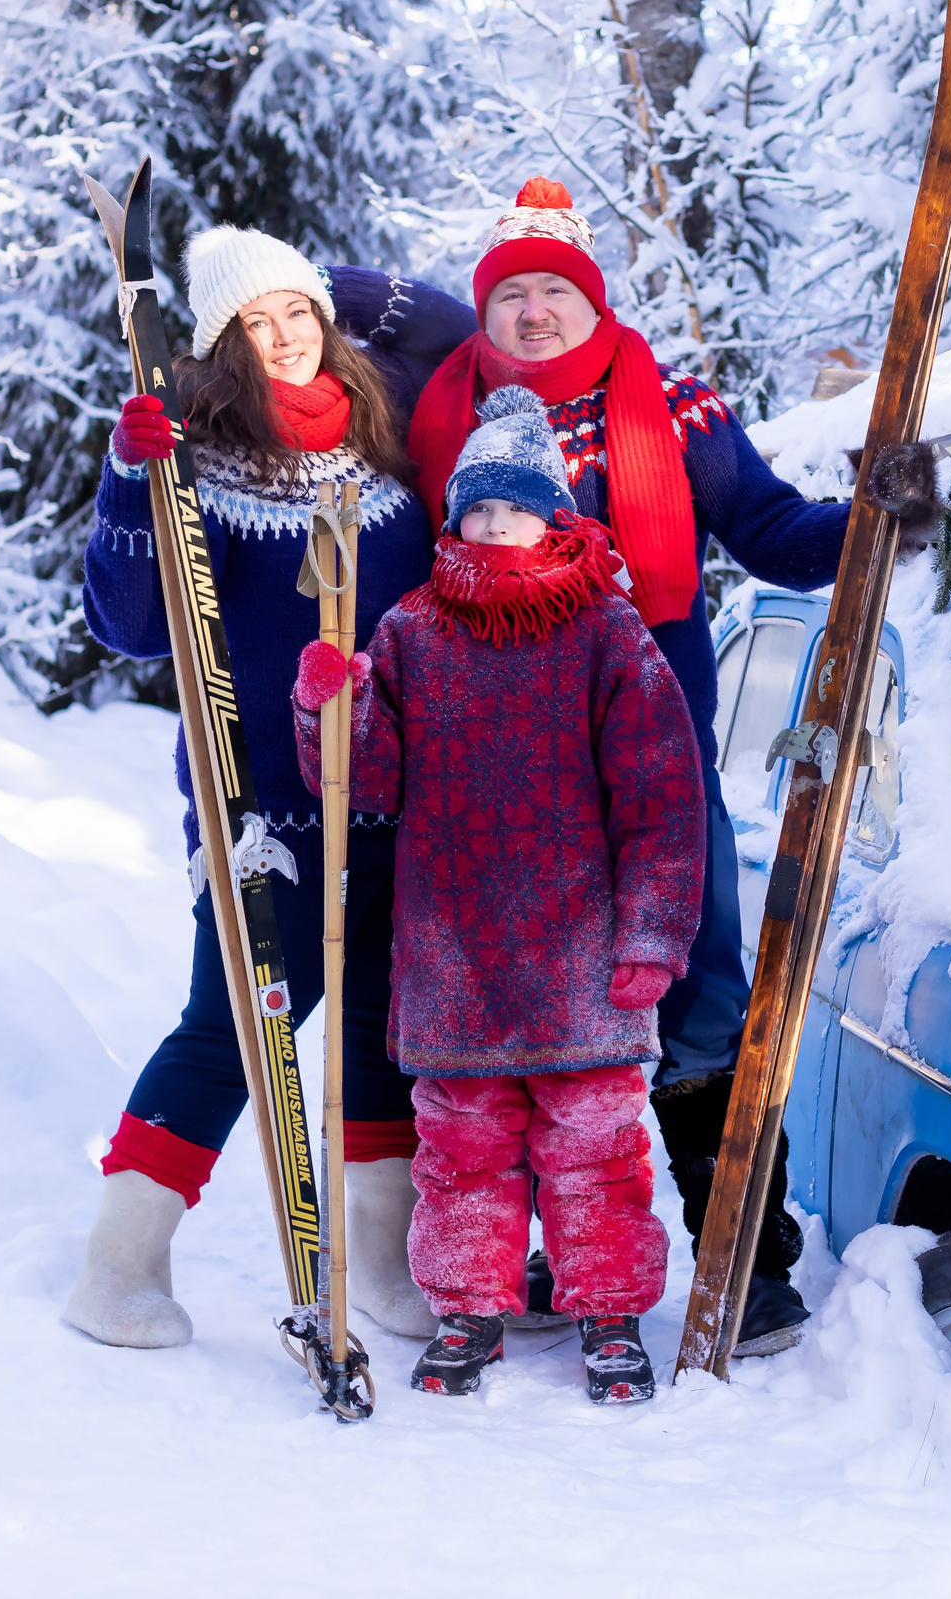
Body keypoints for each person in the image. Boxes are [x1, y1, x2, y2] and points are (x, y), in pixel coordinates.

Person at [399, 178, 862, 1356]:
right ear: (482, 313)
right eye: (512, 297)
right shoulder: (438, 421)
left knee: (699, 1004)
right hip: (490, 806)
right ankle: (546, 1251)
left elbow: (773, 533)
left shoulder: (679, 413)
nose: (536, 314)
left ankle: (742, 1260)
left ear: (591, 301)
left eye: (556, 291)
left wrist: (868, 519)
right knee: (513, 1027)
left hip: (648, 781)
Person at [63, 229, 476, 1349]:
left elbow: (453, 323)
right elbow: (131, 626)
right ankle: (120, 1264)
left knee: (387, 1034)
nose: (287, 335)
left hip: (394, 802)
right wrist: (129, 480)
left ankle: (381, 1266)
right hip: (266, 812)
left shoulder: (382, 454)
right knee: (238, 1026)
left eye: (299, 310)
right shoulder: (201, 460)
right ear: (224, 344)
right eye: (257, 320)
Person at [296, 388, 707, 1403]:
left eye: (511, 509)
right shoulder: (408, 633)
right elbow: (369, 782)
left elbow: (663, 788)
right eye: (474, 510)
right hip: (454, 951)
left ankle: (607, 1314)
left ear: (554, 516)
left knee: (595, 1154)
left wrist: (653, 931)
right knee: (462, 1150)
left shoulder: (607, 632)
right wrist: (326, 709)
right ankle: (469, 1310)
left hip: (580, 955)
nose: (490, 527)